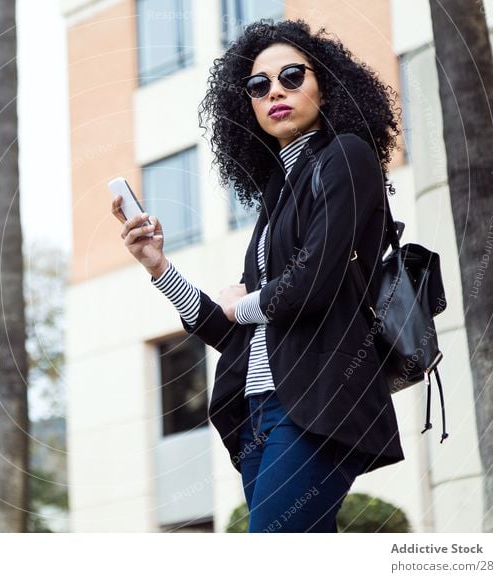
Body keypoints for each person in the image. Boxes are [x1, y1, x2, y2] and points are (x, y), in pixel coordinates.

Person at [110, 19, 404, 533]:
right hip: (258, 412)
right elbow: (235, 334)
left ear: (326, 84)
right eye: (258, 85)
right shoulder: (277, 195)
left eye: (292, 76)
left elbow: (313, 283)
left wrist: (241, 304)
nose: (276, 91)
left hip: (316, 404)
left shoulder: (346, 156)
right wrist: (158, 265)